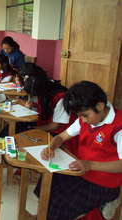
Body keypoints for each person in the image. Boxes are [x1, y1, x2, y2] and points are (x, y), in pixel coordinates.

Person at [38, 81, 122, 220]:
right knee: (48, 183)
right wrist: (51, 146)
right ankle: (43, 214)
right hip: (82, 172)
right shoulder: (85, 118)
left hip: (103, 183)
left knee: (61, 202)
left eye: (85, 115)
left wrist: (89, 165)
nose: (82, 120)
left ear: (100, 106)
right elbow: (62, 136)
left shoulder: (118, 126)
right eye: (79, 116)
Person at [0, 66, 77, 147]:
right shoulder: (44, 90)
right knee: (12, 128)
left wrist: (32, 128)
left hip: (58, 134)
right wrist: (29, 104)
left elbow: (54, 126)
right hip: (43, 122)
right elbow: (44, 106)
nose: (34, 96)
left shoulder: (61, 98)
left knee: (20, 136)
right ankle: (1, 149)